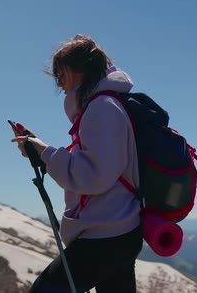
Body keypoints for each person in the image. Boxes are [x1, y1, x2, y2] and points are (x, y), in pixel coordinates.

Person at [11, 34, 143, 293]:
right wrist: (41, 151)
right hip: (121, 230)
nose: (58, 82)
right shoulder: (108, 105)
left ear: (77, 71)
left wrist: (45, 152)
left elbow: (94, 176)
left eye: (60, 74)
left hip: (104, 235)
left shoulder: (101, 108)